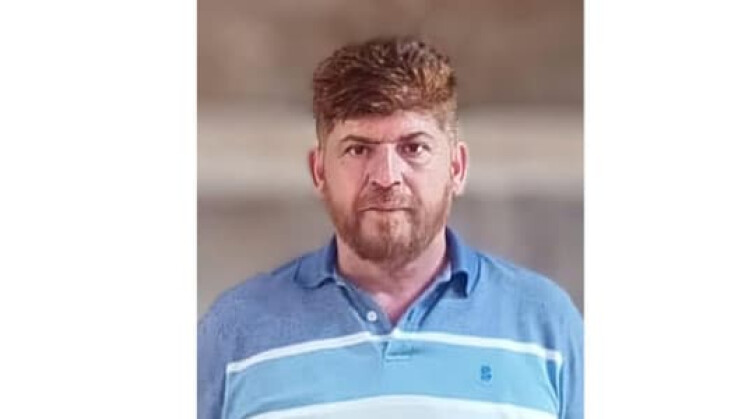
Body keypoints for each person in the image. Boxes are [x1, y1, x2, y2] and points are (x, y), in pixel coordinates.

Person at [198, 36, 583, 419]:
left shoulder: (546, 325)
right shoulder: (234, 332)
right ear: (319, 172)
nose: (386, 177)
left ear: (457, 168)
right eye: (358, 149)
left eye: (413, 148)